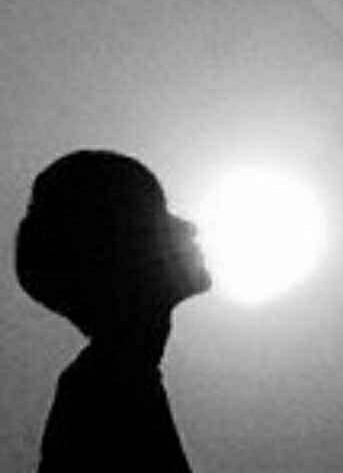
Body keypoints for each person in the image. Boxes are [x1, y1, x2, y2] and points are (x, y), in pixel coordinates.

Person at [15, 150, 211, 472]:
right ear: (120, 254)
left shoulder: (118, 378)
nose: (189, 227)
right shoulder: (106, 393)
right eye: (156, 218)